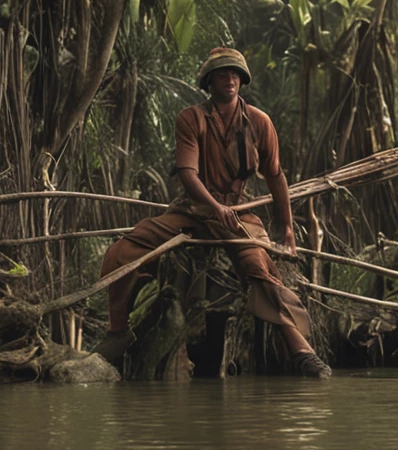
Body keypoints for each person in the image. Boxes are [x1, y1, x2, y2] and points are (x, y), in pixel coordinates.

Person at [95, 47, 331, 377]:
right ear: (210, 81)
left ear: (242, 80)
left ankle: (302, 351)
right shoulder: (191, 118)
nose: (230, 78)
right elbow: (188, 174)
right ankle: (118, 332)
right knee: (121, 253)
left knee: (260, 269)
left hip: (238, 215)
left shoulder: (259, 122)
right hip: (193, 212)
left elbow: (276, 176)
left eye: (235, 74)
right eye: (222, 74)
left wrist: (286, 228)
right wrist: (213, 206)